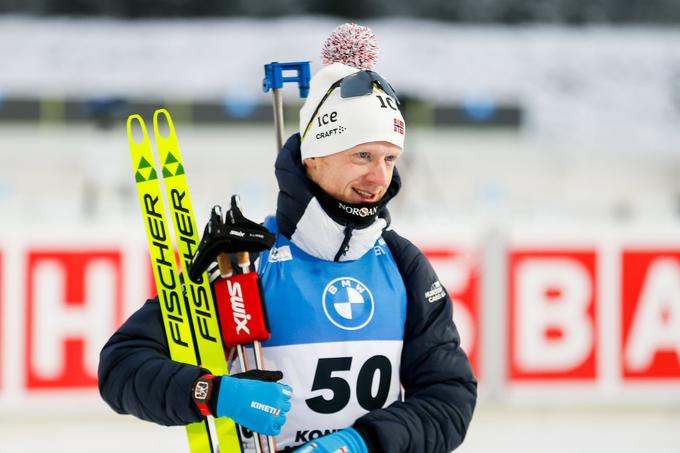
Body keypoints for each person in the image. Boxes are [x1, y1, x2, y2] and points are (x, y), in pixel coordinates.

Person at [98, 23, 477, 453]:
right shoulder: (241, 260)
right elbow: (121, 368)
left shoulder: (402, 262)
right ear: (313, 155)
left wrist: (360, 443)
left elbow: (450, 397)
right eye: (362, 156)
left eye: (390, 158)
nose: (379, 177)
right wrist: (211, 392)